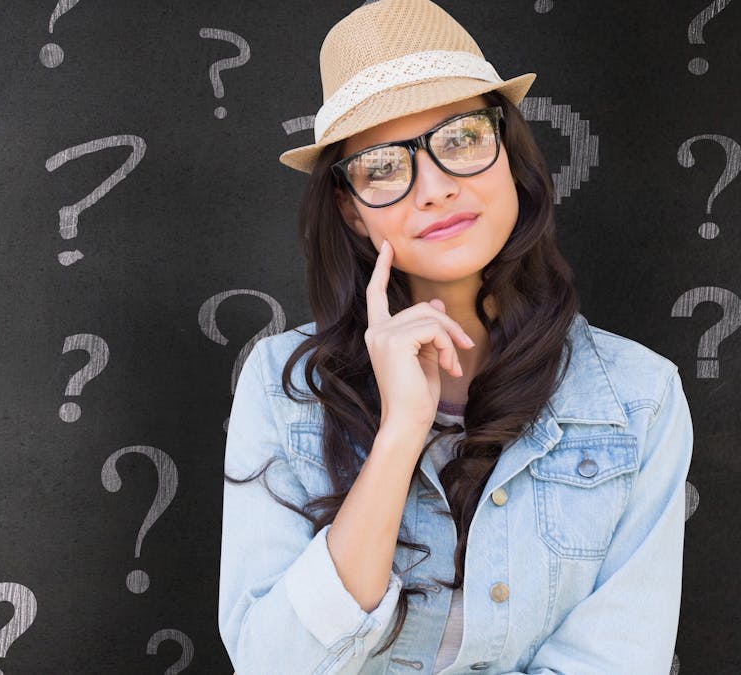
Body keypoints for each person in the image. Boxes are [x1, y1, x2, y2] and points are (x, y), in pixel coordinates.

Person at [216, 0, 695, 673]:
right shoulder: (281, 384)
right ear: (351, 211)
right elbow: (273, 664)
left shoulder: (639, 398)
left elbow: (612, 659)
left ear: (510, 153)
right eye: (383, 166)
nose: (434, 188)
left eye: (462, 137)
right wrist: (400, 434)